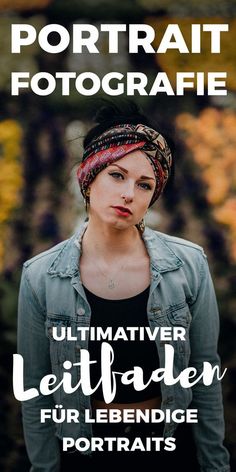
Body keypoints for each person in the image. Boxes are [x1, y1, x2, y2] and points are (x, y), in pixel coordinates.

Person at [17, 102, 230, 472]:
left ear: (153, 196)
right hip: (84, 453)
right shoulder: (41, 276)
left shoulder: (189, 266)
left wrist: (215, 465)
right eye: (117, 175)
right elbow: (36, 391)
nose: (129, 193)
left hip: (166, 449)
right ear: (89, 175)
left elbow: (204, 376)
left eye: (144, 184)